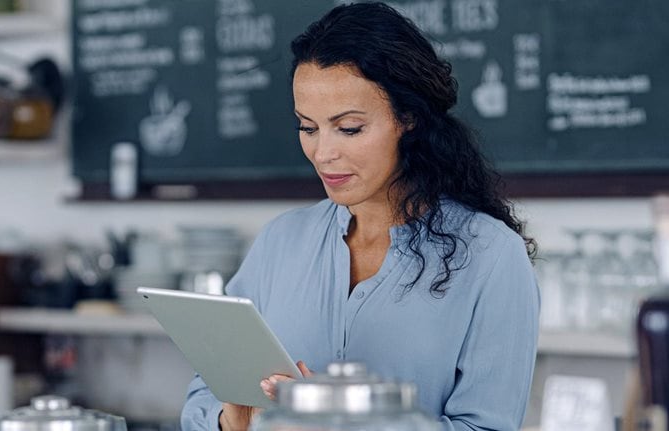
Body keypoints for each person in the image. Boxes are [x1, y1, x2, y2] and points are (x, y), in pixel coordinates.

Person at [181, 2, 539, 430]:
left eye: (349, 128)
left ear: (409, 117)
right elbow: (204, 392)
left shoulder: (492, 256)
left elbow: (489, 427)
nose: (323, 153)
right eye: (307, 128)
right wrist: (231, 419)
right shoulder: (281, 241)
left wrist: (348, 422)